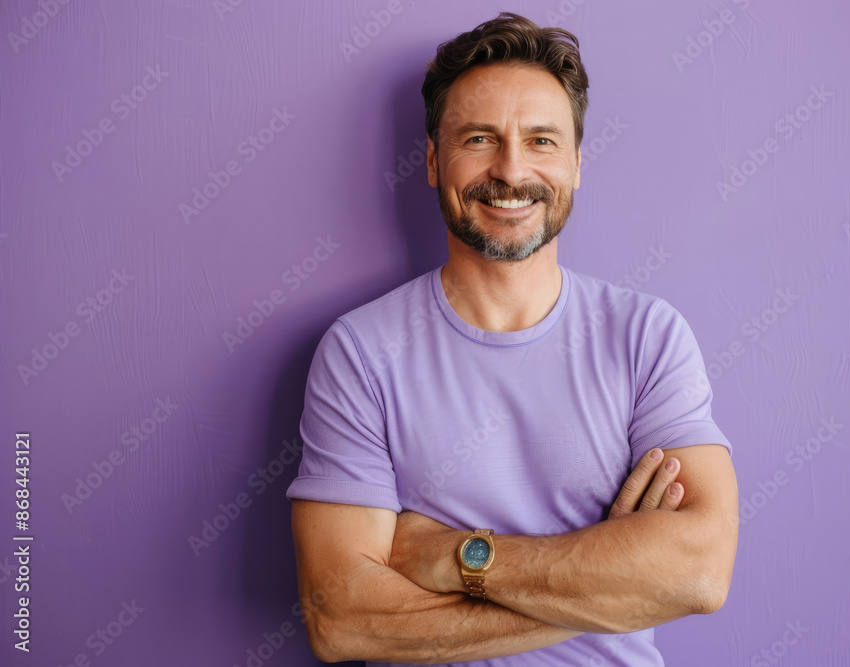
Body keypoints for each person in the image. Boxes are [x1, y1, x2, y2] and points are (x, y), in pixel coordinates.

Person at [285, 11, 738, 666]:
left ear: (578, 164)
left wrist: (458, 555)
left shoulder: (647, 336)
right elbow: (343, 620)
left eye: (542, 141)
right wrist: (612, 578)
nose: (511, 168)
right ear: (436, 162)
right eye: (480, 138)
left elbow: (698, 573)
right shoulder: (359, 352)